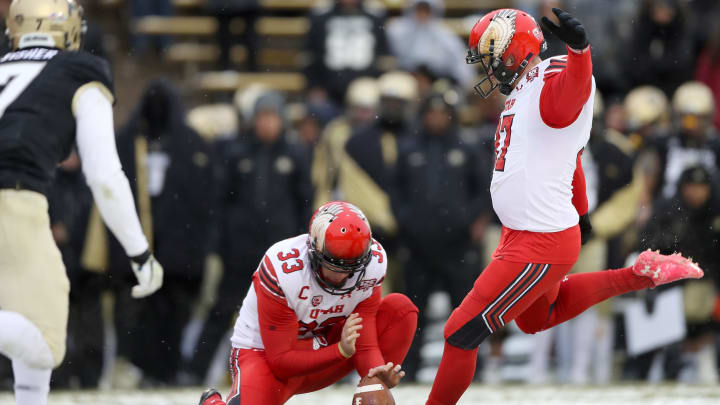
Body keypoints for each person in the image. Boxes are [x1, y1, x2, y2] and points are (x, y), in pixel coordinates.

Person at [425, 8, 704, 404]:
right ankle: (639, 274)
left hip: (538, 238)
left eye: (491, 60)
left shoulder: (554, 77)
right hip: (524, 231)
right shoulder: (527, 86)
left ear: (512, 53)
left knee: (461, 330)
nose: (487, 70)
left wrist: (580, 50)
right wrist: (582, 209)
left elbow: (568, 96)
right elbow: (568, 157)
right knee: (539, 318)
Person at [0, 2, 163, 405]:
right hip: (14, 199)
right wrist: (139, 251)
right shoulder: (79, 72)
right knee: (44, 338)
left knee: (34, 314)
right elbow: (104, 175)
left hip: (17, 198)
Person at [198, 201, 418, 405]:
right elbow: (281, 362)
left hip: (329, 341)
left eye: (352, 268)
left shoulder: (373, 264)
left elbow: (365, 334)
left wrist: (375, 377)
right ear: (314, 249)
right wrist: (340, 350)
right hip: (267, 354)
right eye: (334, 266)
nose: (343, 277)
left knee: (401, 310)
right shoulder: (284, 269)